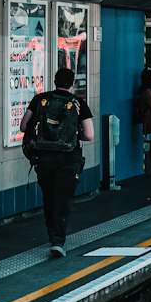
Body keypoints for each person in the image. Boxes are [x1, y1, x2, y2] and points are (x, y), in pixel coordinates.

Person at [20, 66, 94, 257]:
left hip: (43, 158)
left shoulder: (40, 100)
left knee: (49, 197)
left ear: (54, 81)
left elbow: (23, 125)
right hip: (68, 160)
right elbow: (89, 135)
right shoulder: (78, 103)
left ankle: (51, 234)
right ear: (72, 83)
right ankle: (57, 240)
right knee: (63, 199)